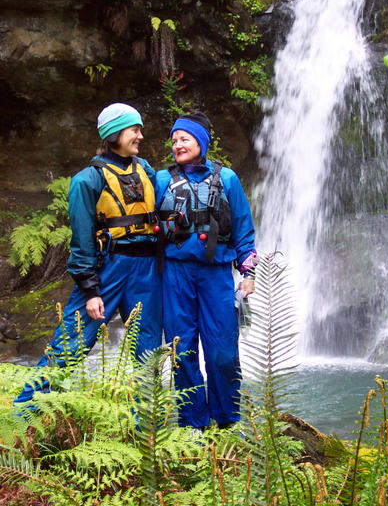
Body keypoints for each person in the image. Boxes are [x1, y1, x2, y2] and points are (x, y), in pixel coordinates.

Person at [14, 103, 162, 407]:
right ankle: (26, 412)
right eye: (135, 129)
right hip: (108, 266)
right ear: (115, 133)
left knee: (147, 349)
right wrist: (91, 289)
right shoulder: (87, 180)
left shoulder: (145, 169)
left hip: (147, 268)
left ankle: (145, 427)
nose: (141, 136)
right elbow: (82, 240)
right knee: (72, 342)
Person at [156, 112, 257, 430]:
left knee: (222, 351)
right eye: (174, 140)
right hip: (175, 274)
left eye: (184, 138)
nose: (178, 145)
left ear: (201, 141)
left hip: (216, 275)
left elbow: (243, 227)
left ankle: (227, 419)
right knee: (181, 349)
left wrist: (248, 273)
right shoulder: (161, 180)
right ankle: (192, 423)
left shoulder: (227, 179)